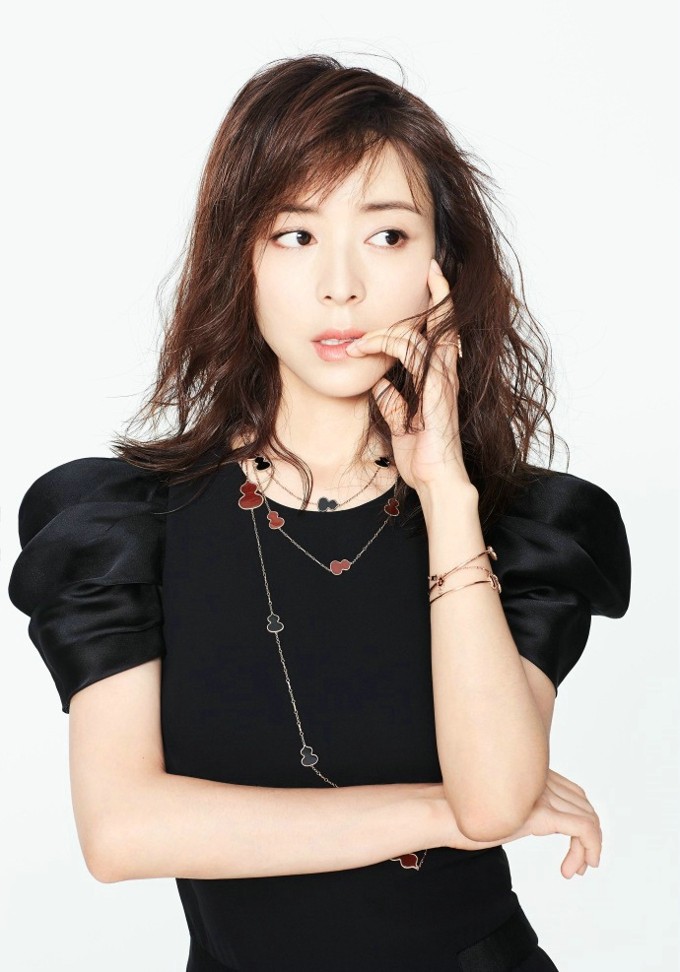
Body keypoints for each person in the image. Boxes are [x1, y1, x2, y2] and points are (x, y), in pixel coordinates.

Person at [7, 54, 631, 971]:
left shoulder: (522, 528)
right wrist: (435, 812)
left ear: (441, 268)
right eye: (296, 234)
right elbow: (122, 831)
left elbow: (496, 800)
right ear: (241, 258)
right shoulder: (126, 526)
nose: (341, 284)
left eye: (387, 235)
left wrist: (446, 491)